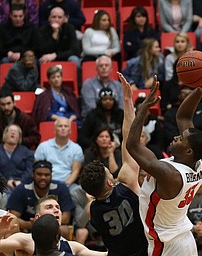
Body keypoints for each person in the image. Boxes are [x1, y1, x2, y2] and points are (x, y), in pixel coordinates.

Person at [126, 74, 202, 255]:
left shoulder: (170, 174)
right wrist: (201, 88)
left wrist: (144, 107)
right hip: (182, 237)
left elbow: (132, 145)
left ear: (189, 151)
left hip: (167, 243)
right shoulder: (197, 163)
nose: (176, 137)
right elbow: (184, 115)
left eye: (180, 139)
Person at [79, 72, 148, 255]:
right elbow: (129, 139)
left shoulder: (93, 210)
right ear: (111, 182)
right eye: (109, 172)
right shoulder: (127, 184)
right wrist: (127, 100)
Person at [0, 195, 108, 255]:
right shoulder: (25, 239)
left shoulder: (72, 246)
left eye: (58, 207)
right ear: (37, 217)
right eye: (49, 207)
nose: (55, 210)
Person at [6, 160, 75, 235]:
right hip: (28, 227)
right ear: (33, 174)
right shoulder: (21, 189)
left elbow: (65, 219)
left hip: (53, 227)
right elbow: (13, 218)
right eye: (39, 174)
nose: (43, 177)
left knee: (64, 229)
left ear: (51, 175)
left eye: (46, 175)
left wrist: (41, 223)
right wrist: (29, 224)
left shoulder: (61, 188)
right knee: (13, 227)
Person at [0, 124, 34, 202]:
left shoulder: (26, 152)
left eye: (15, 132)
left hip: (22, 184)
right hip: (0, 185)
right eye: (10, 131)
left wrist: (20, 181)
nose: (13, 133)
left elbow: (29, 170)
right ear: (5, 135)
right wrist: (5, 182)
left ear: (19, 137)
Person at [34, 117, 84, 190]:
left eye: (66, 126)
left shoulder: (76, 148)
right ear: (54, 130)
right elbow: (38, 169)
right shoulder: (43, 147)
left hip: (68, 184)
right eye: (60, 126)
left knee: (78, 191)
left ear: (70, 131)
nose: (63, 128)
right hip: (46, 183)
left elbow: (75, 171)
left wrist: (65, 186)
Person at [0, 5, 39, 74]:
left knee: (34, 60)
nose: (18, 19)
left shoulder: (31, 29)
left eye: (20, 16)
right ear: (10, 16)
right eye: (15, 16)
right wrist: (8, 53)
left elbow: (35, 47)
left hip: (26, 55)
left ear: (24, 16)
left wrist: (22, 54)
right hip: (7, 57)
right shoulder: (3, 29)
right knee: (3, 61)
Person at [163, 85, 202, 153]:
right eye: (183, 91)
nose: (186, 93)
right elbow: (170, 134)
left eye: (189, 91)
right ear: (178, 95)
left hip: (200, 145)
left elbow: (184, 118)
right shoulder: (171, 112)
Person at [187, 166, 202, 255]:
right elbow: (180, 217)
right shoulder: (186, 192)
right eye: (196, 177)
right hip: (189, 231)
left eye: (201, 176)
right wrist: (193, 228)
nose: (199, 179)